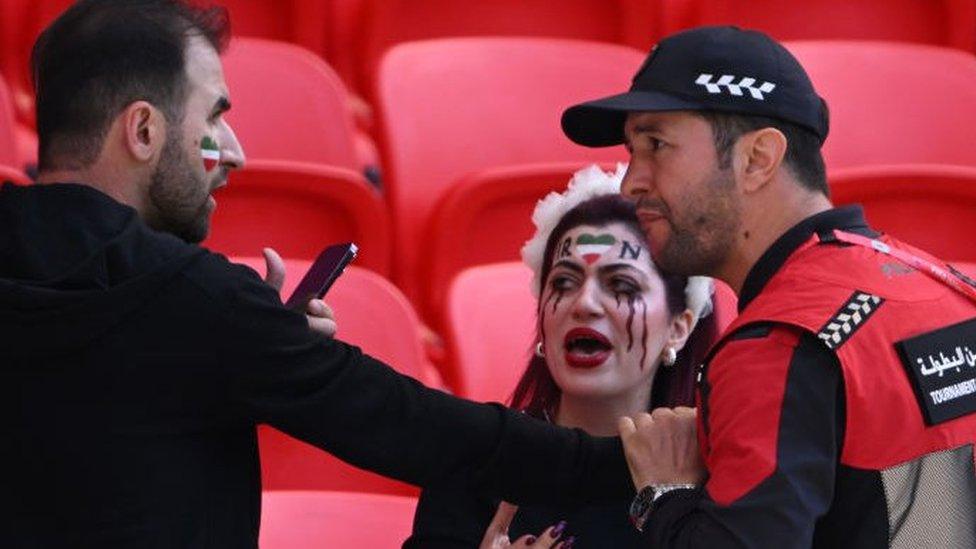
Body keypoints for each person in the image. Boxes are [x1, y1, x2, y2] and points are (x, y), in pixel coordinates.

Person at [0, 1, 635, 546]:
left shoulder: (206, 311)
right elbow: (412, 427)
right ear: (142, 129)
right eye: (213, 117)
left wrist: (254, 345)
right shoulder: (202, 304)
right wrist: (631, 463)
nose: (236, 152)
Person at [559, 25, 976, 548]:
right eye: (632, 150)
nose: (630, 182)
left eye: (656, 145)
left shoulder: (779, 342)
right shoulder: (948, 287)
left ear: (758, 159)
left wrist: (663, 495)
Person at [406, 166, 717, 548]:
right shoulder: (474, 464)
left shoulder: (714, 482)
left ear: (679, 327)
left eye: (620, 284)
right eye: (564, 283)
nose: (584, 304)